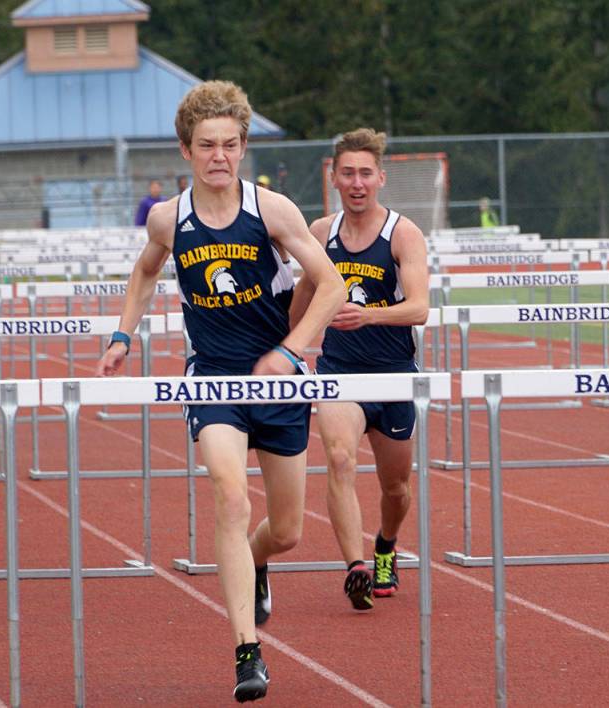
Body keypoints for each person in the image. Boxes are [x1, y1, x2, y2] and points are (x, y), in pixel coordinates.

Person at [96, 80, 345, 702]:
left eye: (230, 144)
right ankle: (246, 651)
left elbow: (332, 285)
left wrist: (291, 352)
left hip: (279, 382)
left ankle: (258, 561)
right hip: (213, 379)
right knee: (231, 499)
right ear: (186, 150)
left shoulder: (272, 210)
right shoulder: (168, 218)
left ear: (242, 147)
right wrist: (122, 336)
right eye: (207, 145)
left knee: (286, 530)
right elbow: (145, 272)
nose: (219, 156)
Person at [290, 127, 429, 611]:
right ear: (333, 177)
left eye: (365, 173)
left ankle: (385, 545)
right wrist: (286, 348)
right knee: (340, 459)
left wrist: (368, 315)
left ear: (380, 178)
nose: (356, 182)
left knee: (396, 487)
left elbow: (419, 308)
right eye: (347, 173)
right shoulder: (319, 233)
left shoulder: (403, 234)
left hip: (393, 373)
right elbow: (303, 296)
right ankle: (355, 567)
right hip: (339, 371)